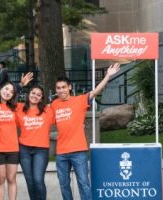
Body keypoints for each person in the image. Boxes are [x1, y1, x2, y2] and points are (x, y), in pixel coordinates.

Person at [51, 63, 120, 200]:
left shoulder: (80, 100)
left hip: (78, 151)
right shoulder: (54, 105)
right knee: (64, 184)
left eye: (64, 87)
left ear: (69, 87)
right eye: (58, 88)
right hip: (61, 153)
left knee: (83, 183)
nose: (61, 90)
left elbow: (95, 91)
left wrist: (108, 75)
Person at [16, 85, 54, 200]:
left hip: (41, 150)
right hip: (24, 150)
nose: (35, 96)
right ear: (28, 94)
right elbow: (7, 98)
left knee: (38, 179)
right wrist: (20, 86)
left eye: (38, 95)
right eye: (33, 93)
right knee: (30, 181)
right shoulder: (19, 108)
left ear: (42, 98)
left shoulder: (48, 110)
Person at [0, 81, 20, 200]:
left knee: (12, 179)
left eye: (11, 91)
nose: (8, 92)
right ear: (0, 90)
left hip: (13, 149)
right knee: (0, 179)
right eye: (6, 89)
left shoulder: (15, 107)